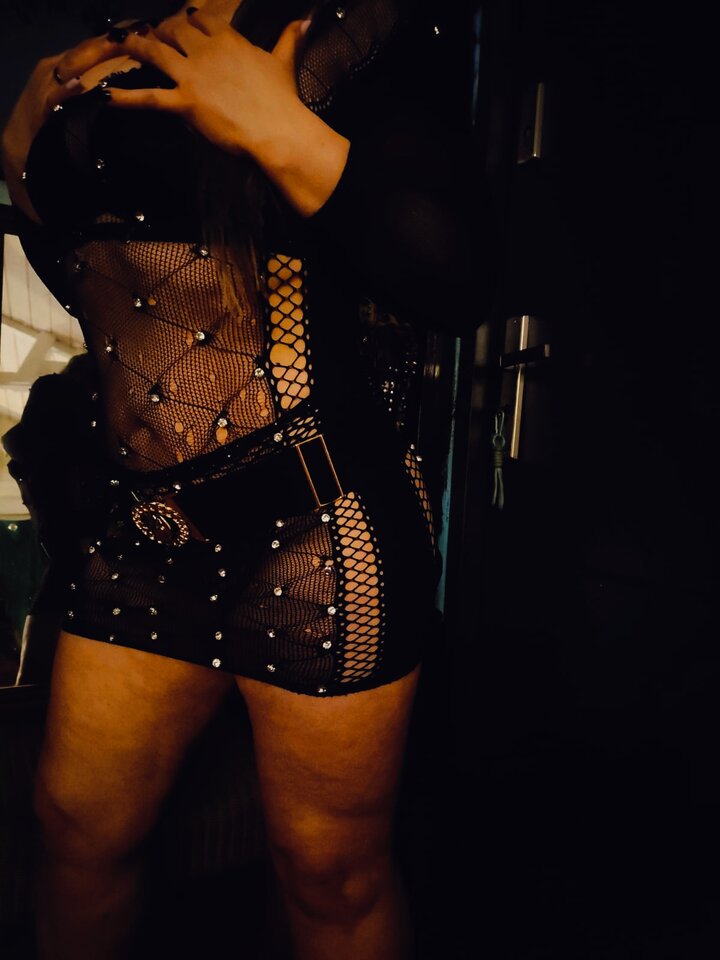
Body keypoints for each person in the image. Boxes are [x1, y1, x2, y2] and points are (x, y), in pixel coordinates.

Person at [1, 1, 496, 957]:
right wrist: (23, 168)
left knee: (329, 876)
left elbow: (459, 277)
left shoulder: (362, 29)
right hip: (142, 530)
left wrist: (278, 129)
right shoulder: (127, 38)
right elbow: (118, 289)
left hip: (318, 524)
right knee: (75, 832)